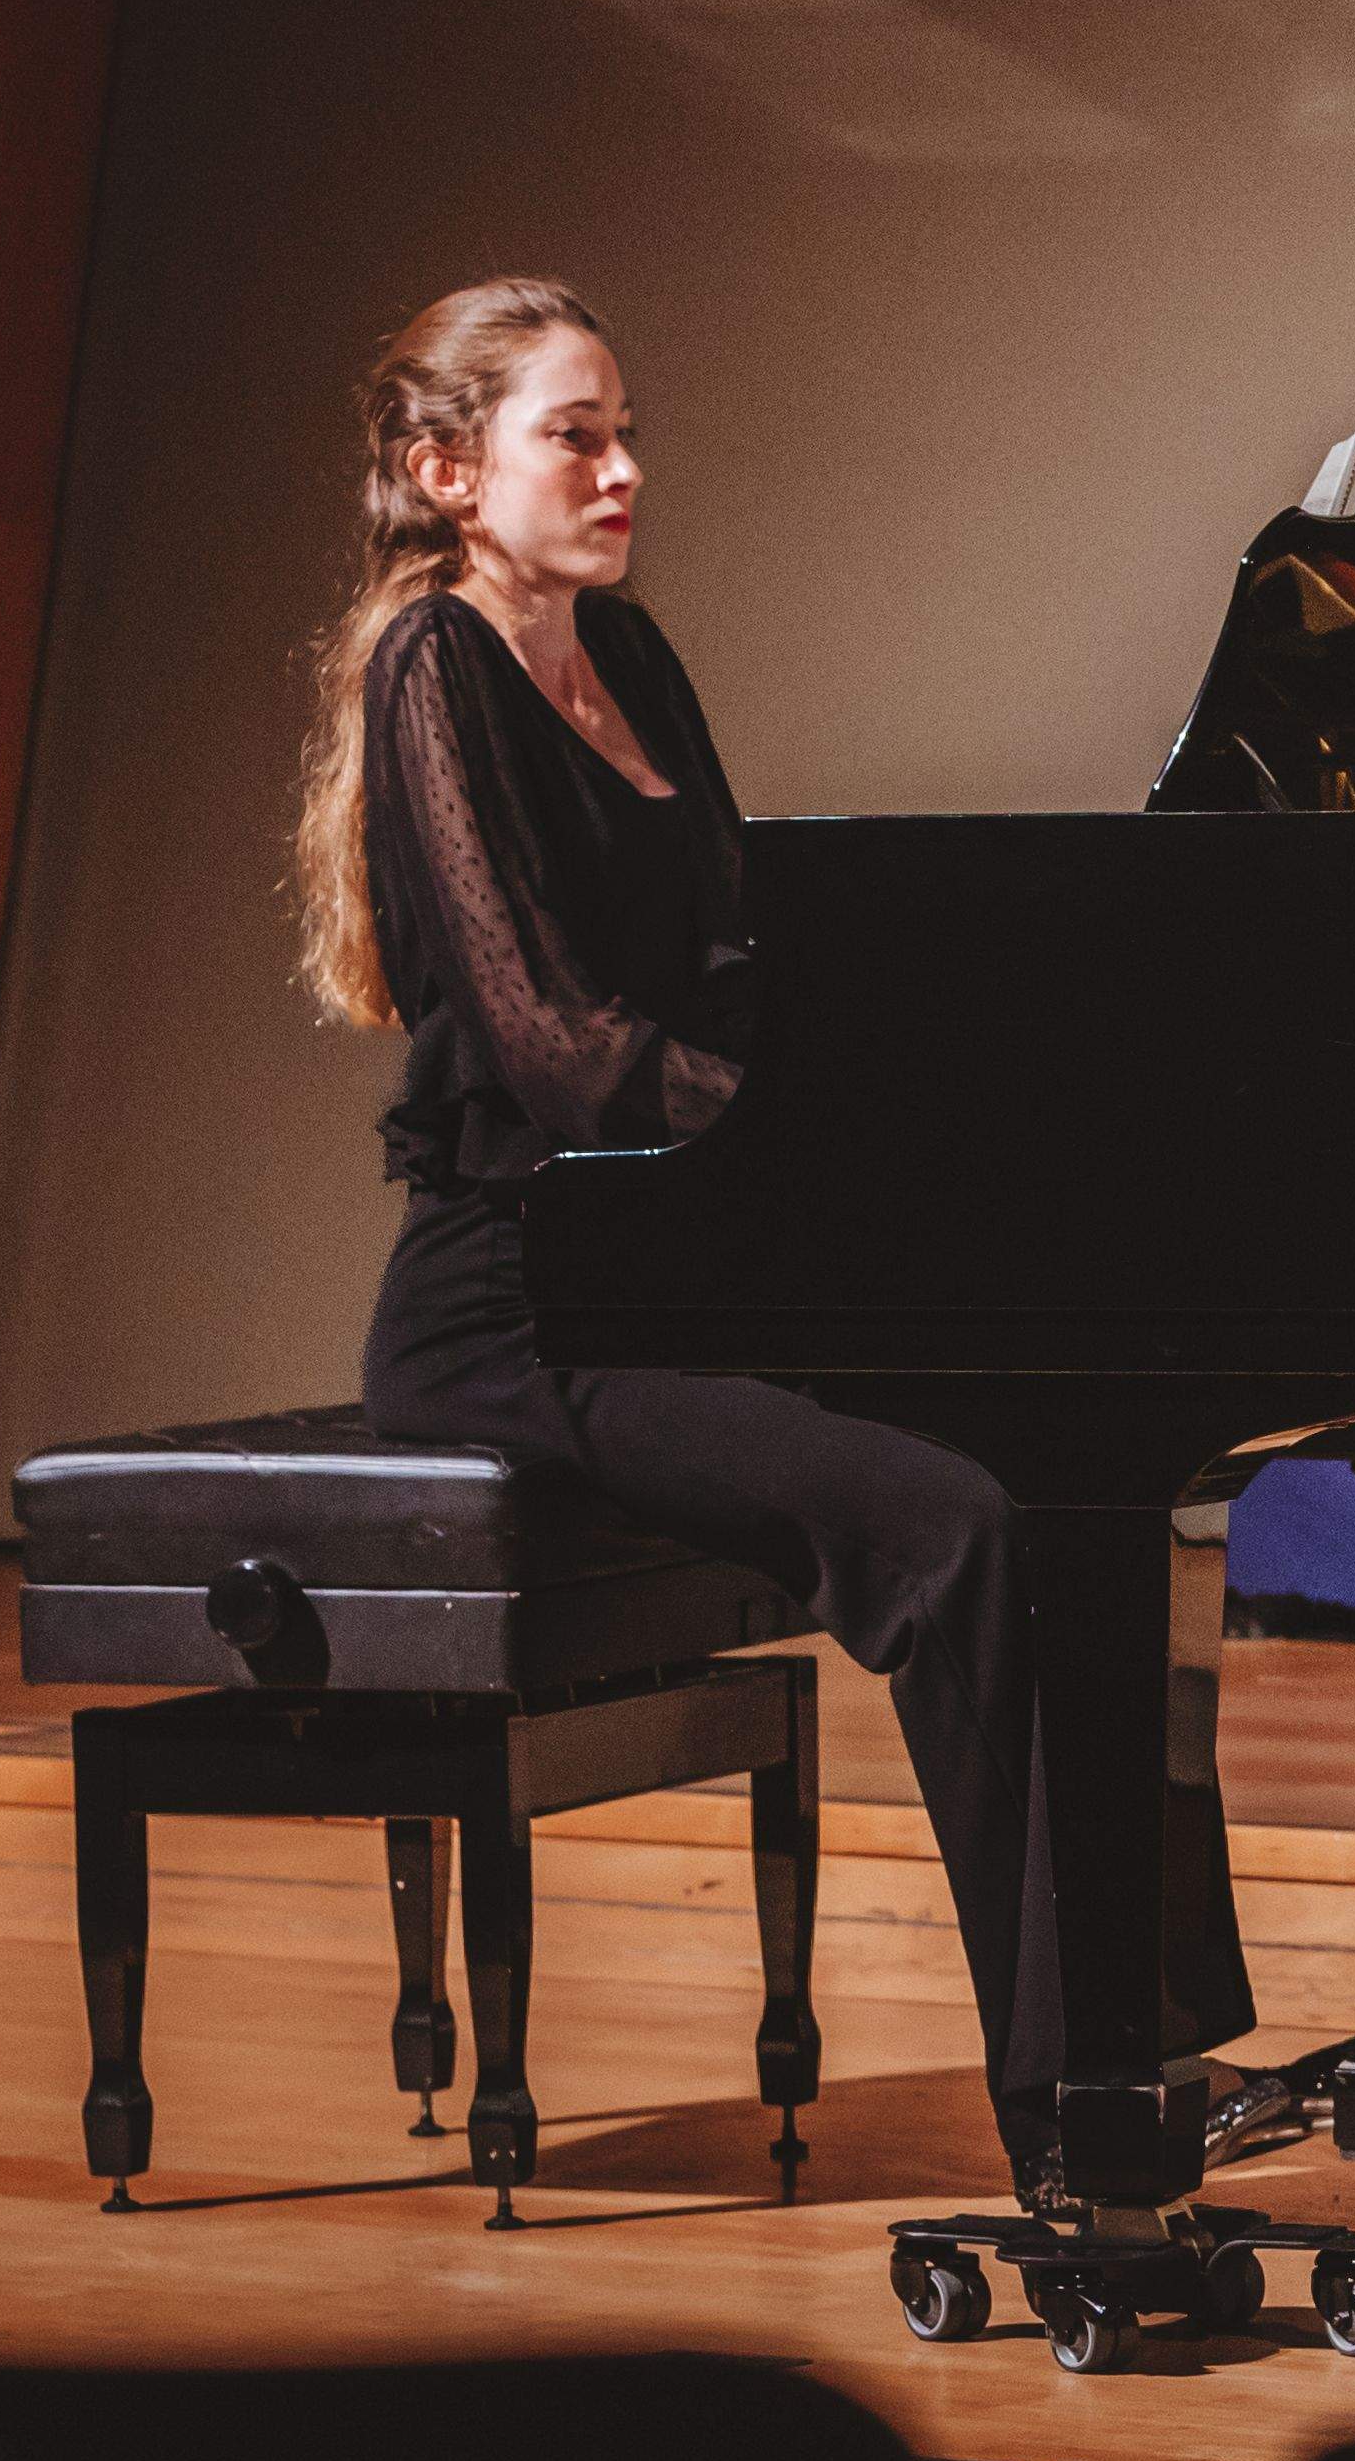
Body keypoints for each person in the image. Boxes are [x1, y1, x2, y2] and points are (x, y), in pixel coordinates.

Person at [298, 275, 1240, 2209]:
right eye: (576, 431)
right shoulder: (433, 668)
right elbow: (558, 1054)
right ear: (442, 468)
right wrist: (786, 1128)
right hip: (517, 1308)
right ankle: (1072, 2130)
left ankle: (1145, 2055)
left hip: (687, 1258)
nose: (625, 466)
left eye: (625, 426)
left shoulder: (623, 649)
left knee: (1081, 1489)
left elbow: (751, 953)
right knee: (955, 1527)